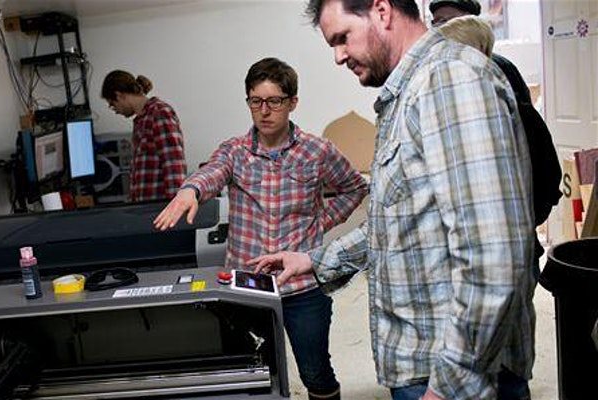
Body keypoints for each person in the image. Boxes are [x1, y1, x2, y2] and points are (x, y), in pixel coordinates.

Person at [249, 1, 536, 399]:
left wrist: (451, 385)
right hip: (423, 367)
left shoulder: (449, 79)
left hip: (450, 377)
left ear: (381, 11)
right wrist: (314, 260)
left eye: (342, 37)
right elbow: (397, 220)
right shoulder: (411, 93)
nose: (337, 56)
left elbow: (494, 255)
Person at [154, 57, 368, 400]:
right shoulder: (234, 151)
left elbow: (355, 187)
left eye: (274, 101)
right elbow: (212, 172)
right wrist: (190, 189)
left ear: (292, 102)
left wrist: (321, 222)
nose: (264, 111)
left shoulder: (317, 151)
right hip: (246, 285)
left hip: (301, 285)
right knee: (254, 372)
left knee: (315, 371)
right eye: (256, 101)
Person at [431, 1, 563, 261]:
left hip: (510, 240)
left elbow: (542, 163)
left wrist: (527, 219)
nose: (439, 29)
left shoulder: (504, 80)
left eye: (447, 20)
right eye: (436, 21)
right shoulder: (438, 88)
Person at [101, 70, 187, 202]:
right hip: (147, 206)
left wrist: (174, 209)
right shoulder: (141, 120)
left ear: (119, 95)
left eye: (113, 105)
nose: (116, 111)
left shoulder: (159, 112)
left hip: (161, 208)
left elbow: (173, 165)